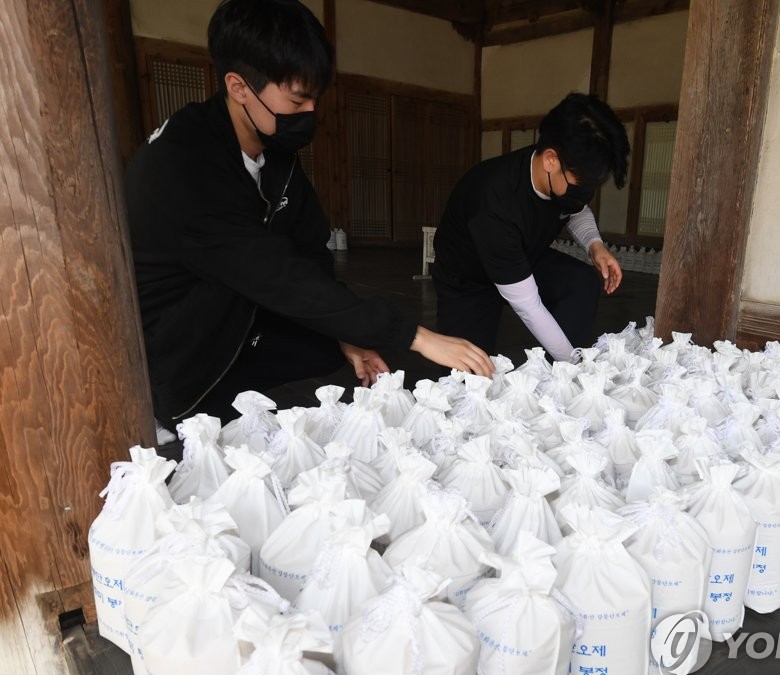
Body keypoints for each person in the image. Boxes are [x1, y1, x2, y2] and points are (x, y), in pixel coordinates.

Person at [126, 0, 493, 430]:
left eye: (315, 99)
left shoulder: (274, 150)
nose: (310, 115)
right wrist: (418, 336)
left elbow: (309, 252)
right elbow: (277, 275)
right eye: (298, 100)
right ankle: (179, 420)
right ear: (239, 86)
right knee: (214, 441)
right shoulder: (185, 165)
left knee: (329, 335)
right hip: (180, 341)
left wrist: (348, 333)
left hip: (239, 307)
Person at [430, 92, 630, 362]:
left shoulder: (559, 174)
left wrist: (595, 246)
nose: (585, 192)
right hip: (468, 277)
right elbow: (528, 306)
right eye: (581, 183)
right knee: (468, 377)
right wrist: (575, 363)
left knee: (579, 282)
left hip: (522, 253)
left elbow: (576, 209)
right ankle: (566, 367)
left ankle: (554, 380)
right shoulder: (495, 205)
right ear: (551, 160)